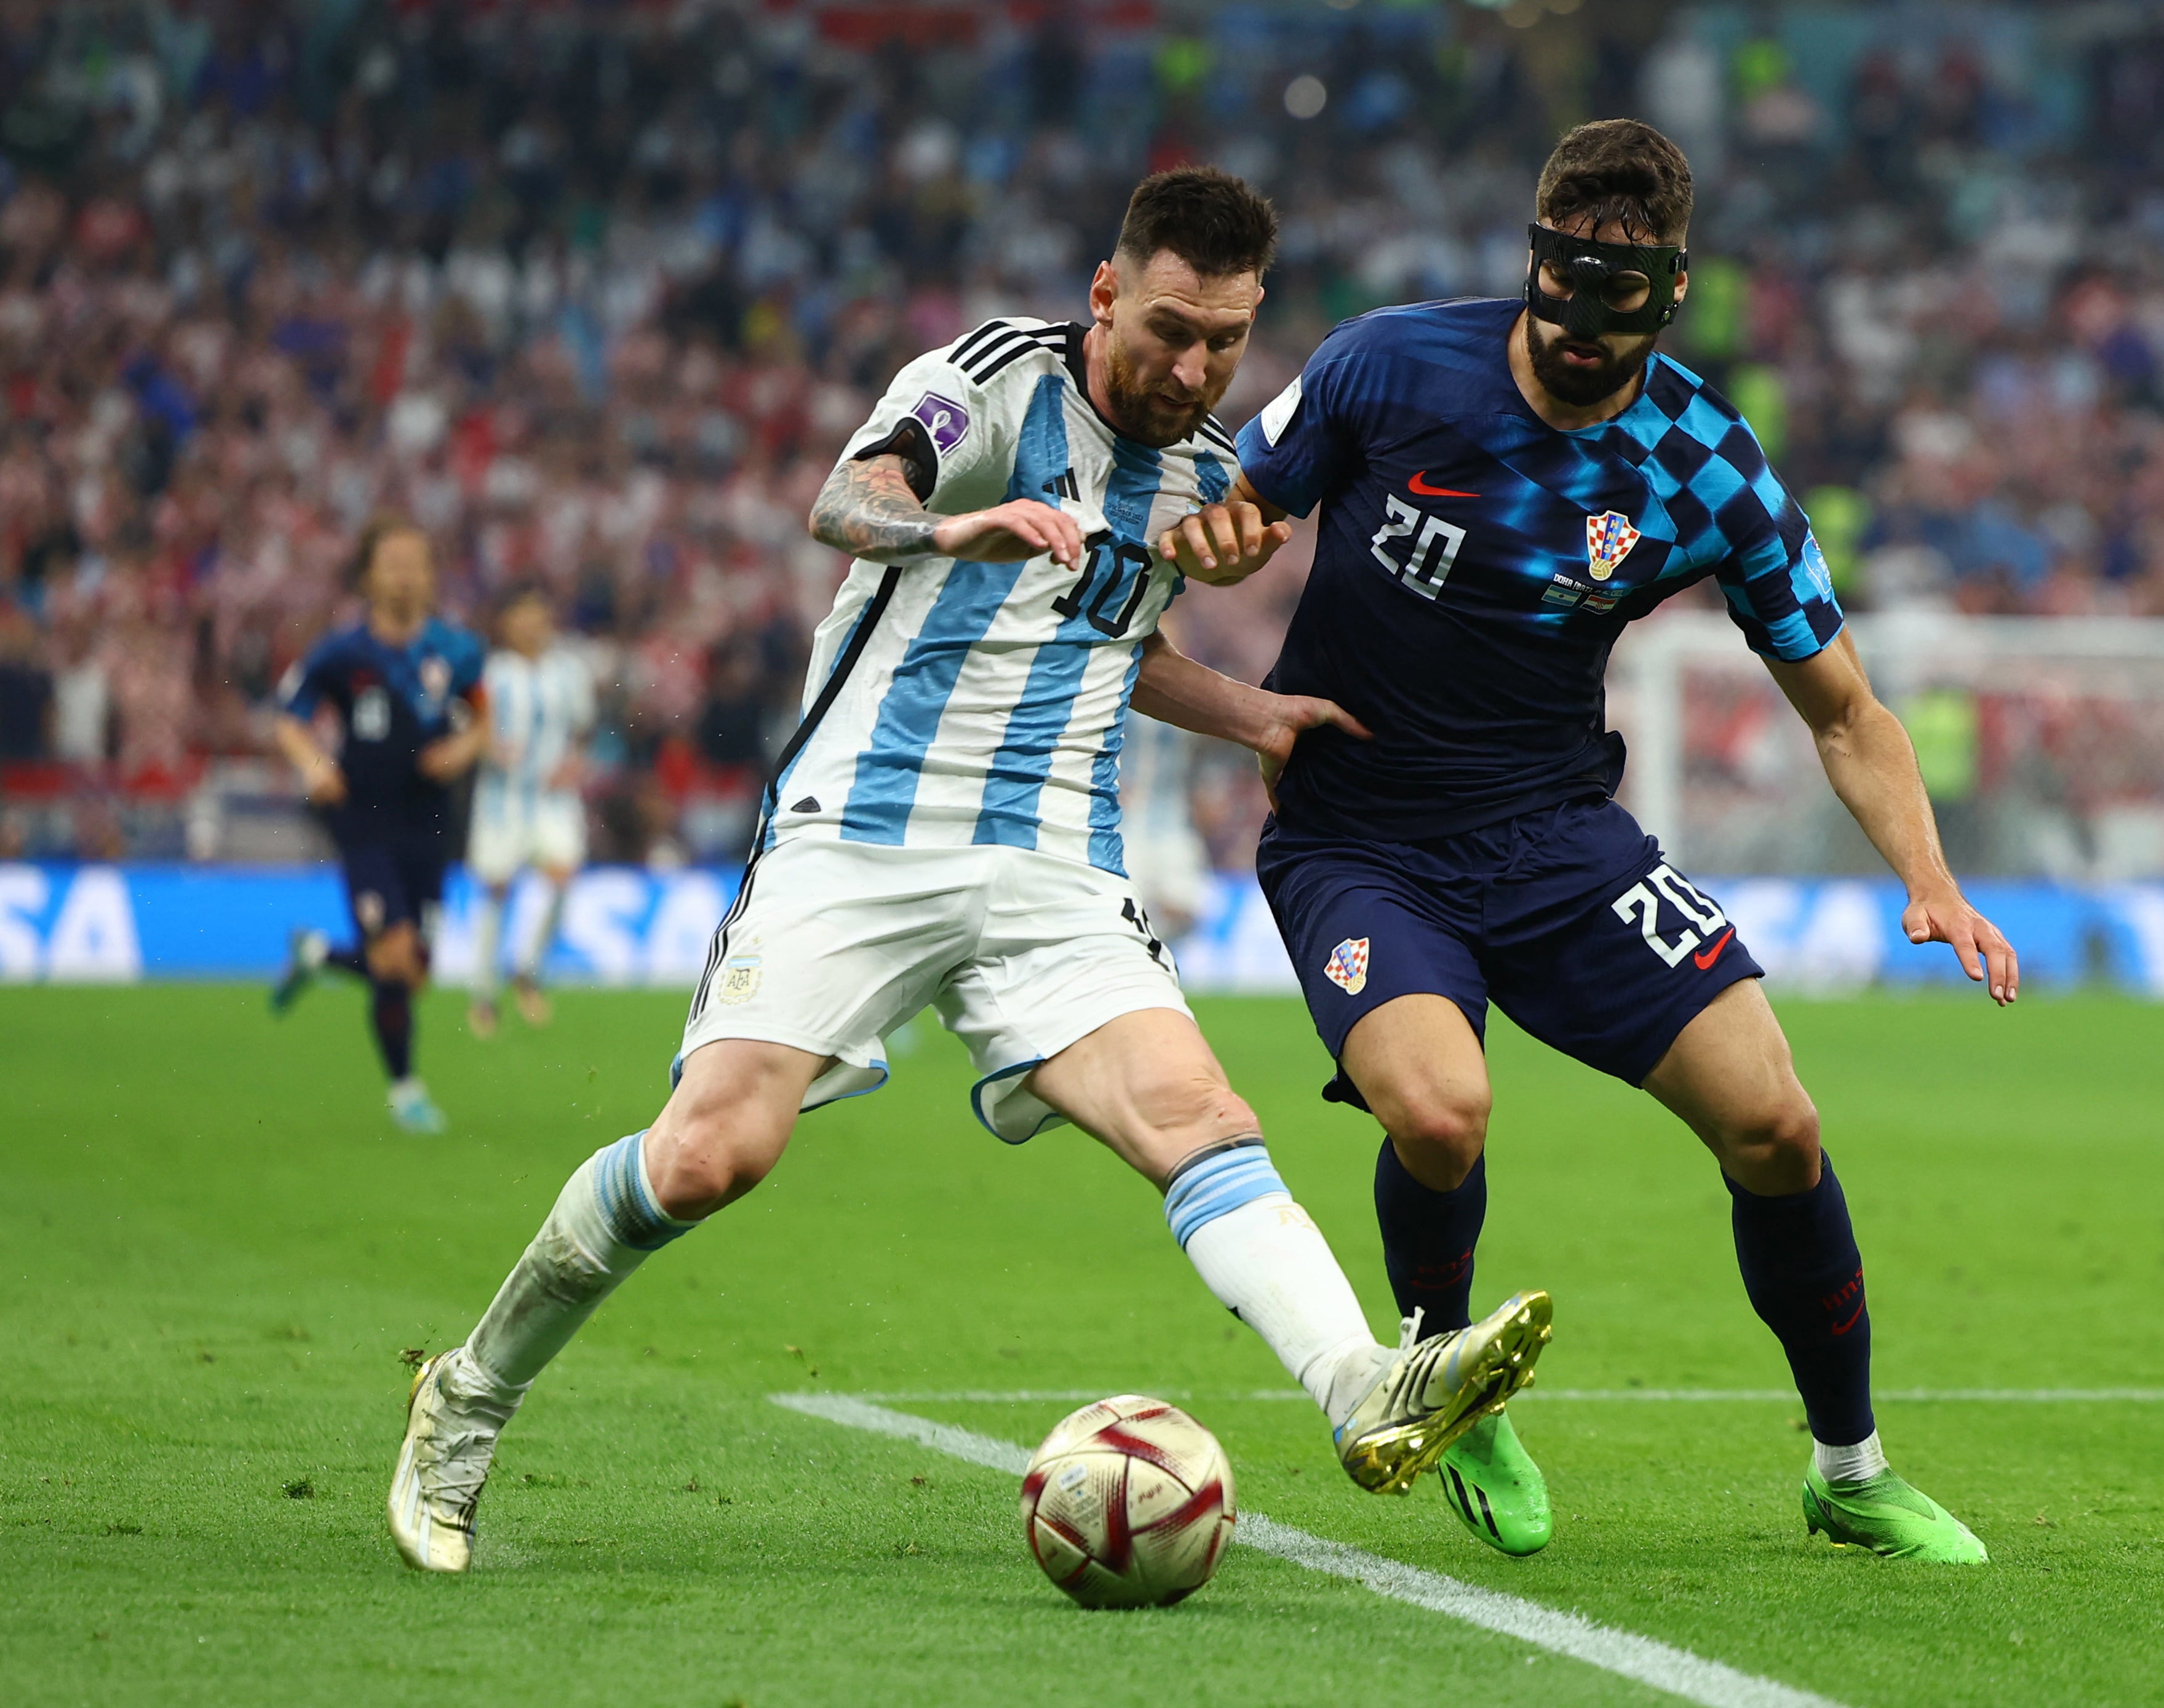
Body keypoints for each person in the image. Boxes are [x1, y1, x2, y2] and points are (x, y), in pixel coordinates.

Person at [387, 167, 1551, 1574]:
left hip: (1054, 852)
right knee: (707, 1156)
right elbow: (847, 497)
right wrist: (954, 523)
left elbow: (1112, 637)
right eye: (1169, 328)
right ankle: (468, 1392)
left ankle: (1360, 1381)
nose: (1191, 367)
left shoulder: (1200, 474)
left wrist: (1251, 712)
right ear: (1105, 293)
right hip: (860, 829)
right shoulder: (988, 379)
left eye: (1224, 342)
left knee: (1190, 1108)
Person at [1220, 121, 2017, 1563]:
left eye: (1621, 308)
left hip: (1555, 839)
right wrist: (1221, 537)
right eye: (1563, 296)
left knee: (1775, 1122)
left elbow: (1841, 709)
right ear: (1534, 262)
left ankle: (1845, 1466)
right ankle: (1443, 1374)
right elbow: (1230, 497)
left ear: (1668, 293)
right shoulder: (1387, 365)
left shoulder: (1701, 463)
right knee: (1440, 1110)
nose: (1582, 339)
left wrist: (1928, 878)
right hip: (1358, 834)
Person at [271, 519, 488, 1134]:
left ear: (430, 573)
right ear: (368, 574)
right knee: (392, 957)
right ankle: (406, 1089)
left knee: (414, 974)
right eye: (391, 562)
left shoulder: (456, 649)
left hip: (430, 822)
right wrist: (313, 761)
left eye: (414, 562)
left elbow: (482, 717)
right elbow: (289, 718)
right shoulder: (342, 652)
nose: (404, 574)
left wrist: (464, 750)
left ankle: (317, 955)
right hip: (363, 818)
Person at [463, 584, 595, 1038]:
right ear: (506, 623)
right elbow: (466, 727)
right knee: (497, 888)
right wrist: (488, 749)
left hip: (552, 797)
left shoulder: (568, 672)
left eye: (537, 615)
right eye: (521, 616)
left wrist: (575, 762)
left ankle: (528, 970)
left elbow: (581, 728)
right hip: (502, 798)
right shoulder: (489, 672)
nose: (530, 625)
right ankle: (483, 995)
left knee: (563, 876)